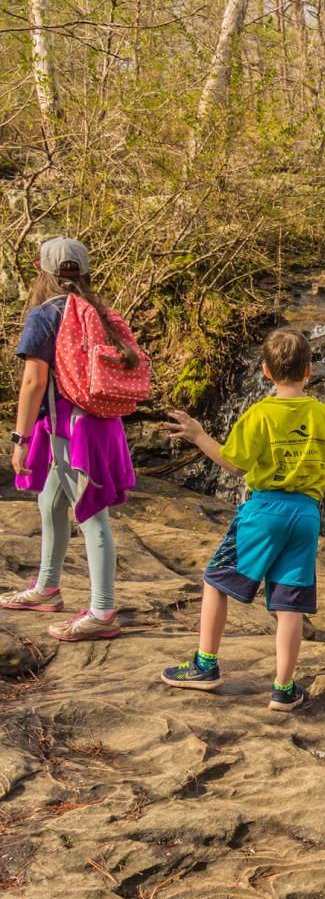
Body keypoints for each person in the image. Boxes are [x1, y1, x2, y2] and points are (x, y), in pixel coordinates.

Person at [160, 329, 325, 713]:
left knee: (215, 580)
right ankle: (284, 689)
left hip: (264, 512)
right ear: (309, 370)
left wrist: (199, 436)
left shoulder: (260, 413)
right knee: (290, 605)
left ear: (265, 370)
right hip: (306, 516)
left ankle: (206, 665)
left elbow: (235, 465)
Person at [1, 237, 136, 641]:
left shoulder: (45, 315)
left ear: (41, 269)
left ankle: (103, 611)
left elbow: (34, 382)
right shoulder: (100, 312)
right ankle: (47, 588)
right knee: (51, 501)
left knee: (92, 517)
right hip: (101, 423)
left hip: (74, 430)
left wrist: (20, 438)